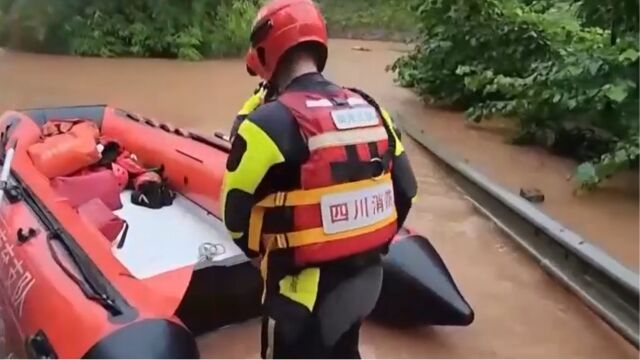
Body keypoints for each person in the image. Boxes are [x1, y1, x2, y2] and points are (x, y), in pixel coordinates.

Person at [221, 0, 418, 358]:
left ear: (266, 51)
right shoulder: (373, 109)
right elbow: (406, 190)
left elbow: (234, 213)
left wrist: (256, 255)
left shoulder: (266, 123)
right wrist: (367, 246)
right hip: (365, 283)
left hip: (300, 297)